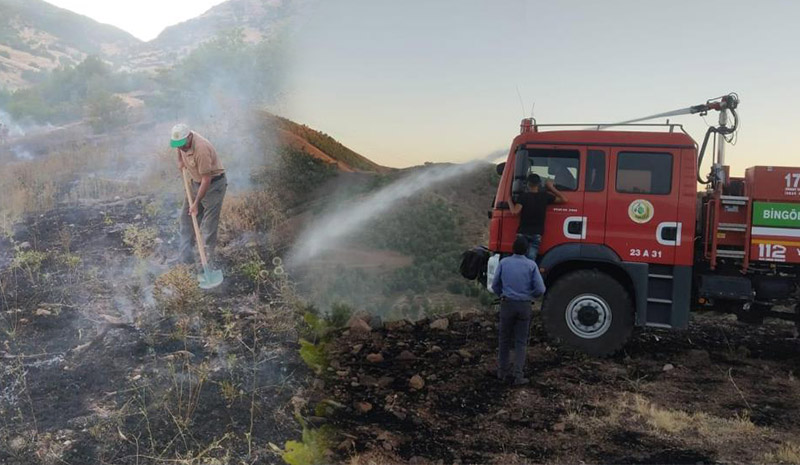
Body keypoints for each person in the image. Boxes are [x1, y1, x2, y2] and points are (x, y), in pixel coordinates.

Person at [491, 235, 546, 386]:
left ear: (512, 248)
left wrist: (502, 294)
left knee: (504, 340)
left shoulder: (504, 262)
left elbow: (495, 284)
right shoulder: (531, 265)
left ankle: (502, 372)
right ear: (526, 250)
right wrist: (530, 295)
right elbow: (540, 289)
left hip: (507, 304)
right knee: (520, 342)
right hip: (524, 306)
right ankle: (518, 375)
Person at [171, 123, 227, 267]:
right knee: (186, 220)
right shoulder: (182, 141)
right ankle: (186, 260)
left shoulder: (201, 149)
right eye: (178, 145)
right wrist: (180, 160)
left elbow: (206, 179)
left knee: (208, 227)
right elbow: (179, 147)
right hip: (196, 183)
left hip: (213, 186)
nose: (181, 147)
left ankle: (208, 264)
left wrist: (196, 203)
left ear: (189, 137)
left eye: (183, 144)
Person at [508, 173, 568, 260]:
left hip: (523, 232)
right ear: (539, 184)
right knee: (531, 260)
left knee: (519, 259)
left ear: (528, 184)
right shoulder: (544, 196)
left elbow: (514, 212)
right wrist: (551, 187)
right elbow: (564, 199)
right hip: (537, 233)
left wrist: (509, 201)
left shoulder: (524, 197)